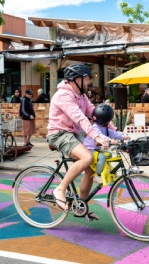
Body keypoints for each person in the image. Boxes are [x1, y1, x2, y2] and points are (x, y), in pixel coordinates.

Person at [46, 64, 110, 212]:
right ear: (77, 80)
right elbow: (80, 118)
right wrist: (96, 136)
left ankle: (80, 204)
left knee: (90, 170)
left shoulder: (81, 96)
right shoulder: (63, 95)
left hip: (73, 135)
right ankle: (60, 190)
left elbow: (96, 114)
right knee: (87, 157)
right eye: (86, 79)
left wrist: (115, 130)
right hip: (59, 134)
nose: (88, 82)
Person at [83, 104, 130, 190]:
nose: (109, 123)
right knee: (102, 157)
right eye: (108, 121)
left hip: (95, 149)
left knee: (109, 155)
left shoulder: (104, 127)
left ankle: (104, 170)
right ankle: (97, 175)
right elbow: (100, 136)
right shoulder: (95, 127)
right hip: (88, 149)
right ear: (104, 121)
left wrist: (122, 136)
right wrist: (111, 141)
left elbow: (113, 133)